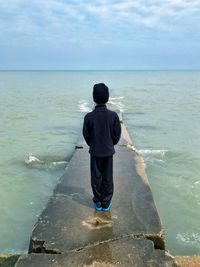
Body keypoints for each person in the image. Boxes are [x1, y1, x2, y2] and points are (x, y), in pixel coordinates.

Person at [82, 83, 121, 212]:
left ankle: (97, 202)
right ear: (107, 97)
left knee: (96, 177)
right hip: (108, 151)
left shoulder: (88, 117)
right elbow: (116, 135)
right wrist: (110, 143)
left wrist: (93, 144)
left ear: (94, 98)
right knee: (108, 177)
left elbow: (86, 135)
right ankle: (106, 203)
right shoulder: (113, 116)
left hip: (95, 151)